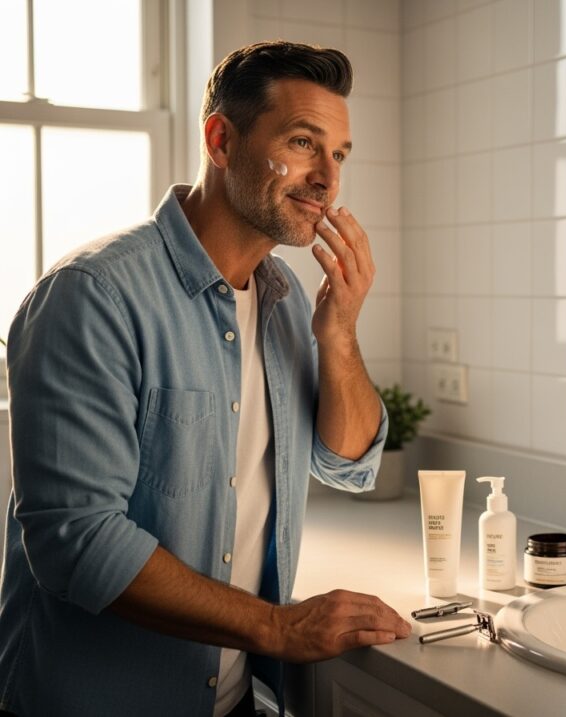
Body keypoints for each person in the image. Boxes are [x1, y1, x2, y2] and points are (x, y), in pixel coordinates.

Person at [0, 42, 411, 717]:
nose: (327, 180)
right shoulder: (93, 296)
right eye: (303, 142)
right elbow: (78, 541)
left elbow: (349, 463)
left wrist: (339, 335)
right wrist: (280, 626)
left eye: (337, 154)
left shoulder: (282, 303)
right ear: (221, 140)